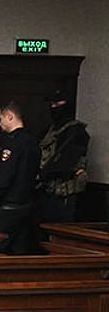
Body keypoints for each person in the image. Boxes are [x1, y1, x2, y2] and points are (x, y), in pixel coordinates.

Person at [0, 101, 40, 255]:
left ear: (10, 116)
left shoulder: (12, 143)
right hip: (28, 206)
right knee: (20, 252)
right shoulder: (33, 142)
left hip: (9, 206)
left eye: (0, 119)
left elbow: (4, 176)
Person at [39, 86, 90, 227]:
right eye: (51, 104)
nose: (53, 107)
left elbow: (67, 162)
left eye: (57, 103)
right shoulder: (50, 130)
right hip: (45, 190)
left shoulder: (76, 132)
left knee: (60, 227)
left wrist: (46, 173)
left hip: (64, 191)